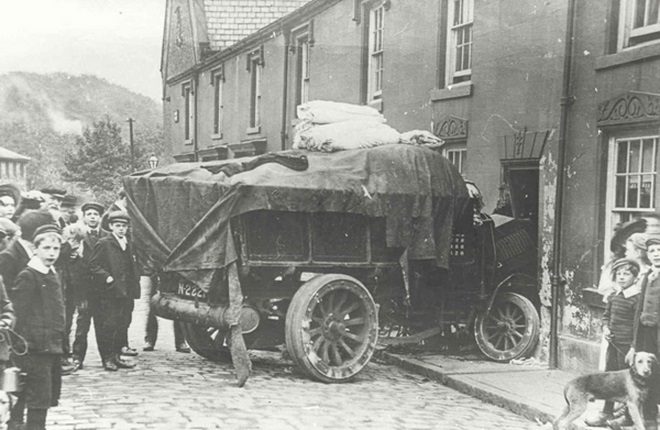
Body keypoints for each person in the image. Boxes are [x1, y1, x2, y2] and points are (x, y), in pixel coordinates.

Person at [9, 224, 65, 430]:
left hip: (51, 346)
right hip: (34, 348)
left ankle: (18, 425)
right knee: (38, 397)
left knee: (42, 394)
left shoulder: (52, 273)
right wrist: (20, 346)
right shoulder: (29, 276)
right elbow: (18, 314)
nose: (51, 253)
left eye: (56, 248)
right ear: (35, 249)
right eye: (46, 248)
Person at [585, 258, 640, 428]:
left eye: (626, 274)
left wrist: (633, 347)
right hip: (613, 345)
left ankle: (628, 416)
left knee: (627, 381)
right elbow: (606, 316)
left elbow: (637, 326)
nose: (621, 277)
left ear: (635, 277)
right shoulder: (614, 296)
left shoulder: (636, 299)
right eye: (619, 274)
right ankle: (606, 412)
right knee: (610, 378)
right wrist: (606, 328)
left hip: (627, 348)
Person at [89, 211, 139, 371]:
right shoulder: (104, 243)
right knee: (108, 325)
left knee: (121, 324)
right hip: (109, 292)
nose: (121, 229)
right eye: (118, 226)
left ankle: (117, 357)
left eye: (124, 226)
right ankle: (107, 358)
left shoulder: (128, 243)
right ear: (111, 226)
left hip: (125, 292)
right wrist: (107, 277)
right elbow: (93, 265)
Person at [628, 236, 660, 430]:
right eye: (652, 251)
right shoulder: (647, 275)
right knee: (648, 375)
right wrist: (635, 343)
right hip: (646, 333)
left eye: (659, 250)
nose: (656, 254)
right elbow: (639, 309)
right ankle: (649, 419)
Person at [70, 202, 106, 372]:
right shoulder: (78, 236)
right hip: (84, 288)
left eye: (96, 214)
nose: (92, 217)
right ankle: (77, 358)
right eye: (89, 214)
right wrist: (79, 294)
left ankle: (107, 357)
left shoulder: (107, 236)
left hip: (102, 289)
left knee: (104, 325)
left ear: (100, 217)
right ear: (84, 217)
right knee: (82, 326)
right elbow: (73, 266)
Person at [56, 224, 87, 374]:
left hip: (75, 293)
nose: (73, 244)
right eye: (70, 239)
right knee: (64, 325)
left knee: (75, 325)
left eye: (76, 241)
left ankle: (72, 355)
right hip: (64, 293)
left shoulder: (80, 255)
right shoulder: (62, 252)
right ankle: (63, 355)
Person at [143, 274, 190, 353]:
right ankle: (150, 340)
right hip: (158, 271)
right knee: (152, 306)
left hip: (176, 273)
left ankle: (180, 342)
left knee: (179, 304)